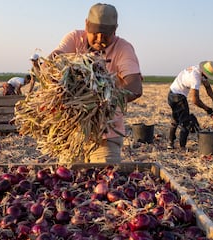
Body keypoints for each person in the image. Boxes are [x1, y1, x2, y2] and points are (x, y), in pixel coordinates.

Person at [49, 3, 143, 163]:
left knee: (104, 181)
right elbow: (54, 58)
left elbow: (135, 86)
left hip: (105, 136)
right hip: (71, 135)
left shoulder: (123, 48)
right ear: (86, 24)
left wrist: (100, 102)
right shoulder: (74, 38)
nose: (100, 39)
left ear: (115, 29)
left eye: (106, 34)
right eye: (95, 33)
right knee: (70, 182)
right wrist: (49, 65)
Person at [167, 61, 213, 150]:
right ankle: (182, 147)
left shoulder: (199, 70)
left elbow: (207, 86)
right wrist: (208, 110)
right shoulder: (195, 78)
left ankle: (170, 143)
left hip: (171, 94)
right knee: (186, 123)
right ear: (205, 73)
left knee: (175, 119)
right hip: (178, 97)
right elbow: (195, 100)